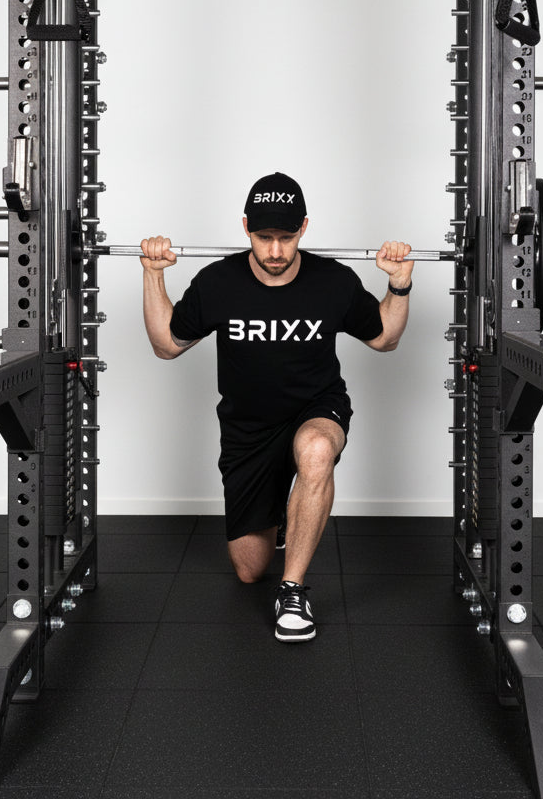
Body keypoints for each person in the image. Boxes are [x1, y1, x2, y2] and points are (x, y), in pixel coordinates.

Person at [140, 172, 413, 642]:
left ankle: (293, 590)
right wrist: (153, 273)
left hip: (316, 408)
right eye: (264, 236)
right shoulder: (218, 282)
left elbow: (385, 338)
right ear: (246, 227)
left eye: (286, 237)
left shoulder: (332, 281)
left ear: (304, 227)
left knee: (315, 451)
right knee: (249, 570)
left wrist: (400, 286)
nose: (275, 250)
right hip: (248, 429)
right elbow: (166, 346)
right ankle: (287, 513)